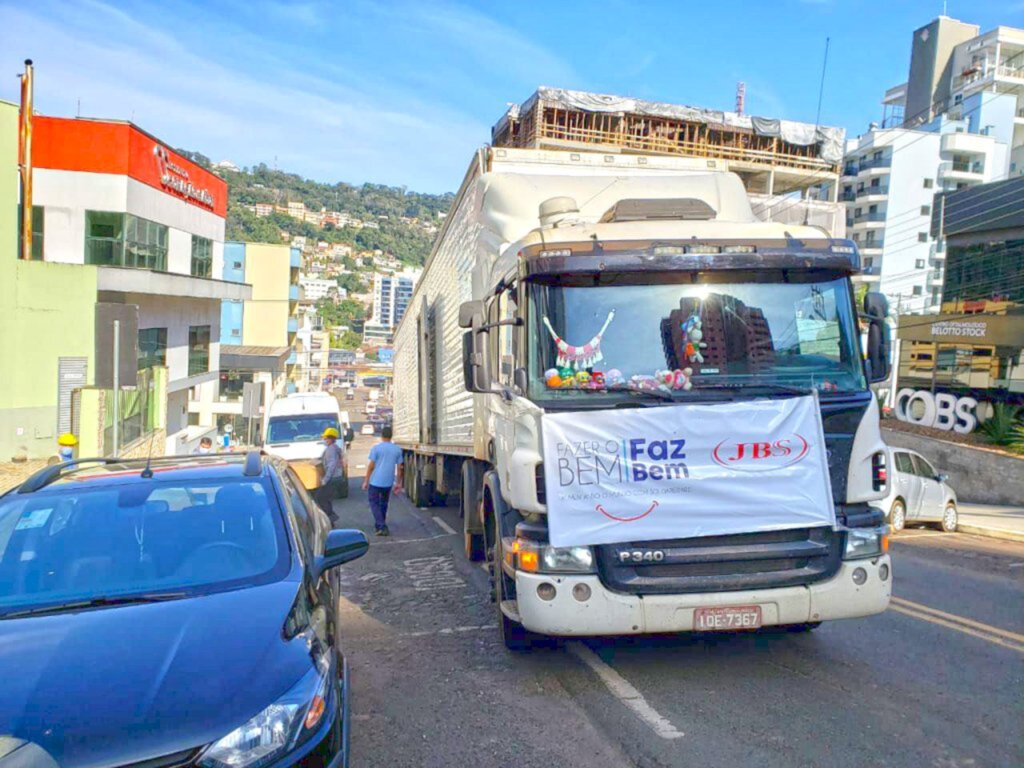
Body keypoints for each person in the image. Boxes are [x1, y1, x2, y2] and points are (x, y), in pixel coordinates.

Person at [362, 425, 403, 536]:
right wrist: (398, 483)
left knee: (374, 503)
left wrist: (366, 480)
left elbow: (371, 466)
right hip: (388, 481)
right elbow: (399, 468)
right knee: (384, 503)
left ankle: (381, 525)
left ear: (382, 436)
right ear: (391, 436)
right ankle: (379, 525)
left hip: (375, 481)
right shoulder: (397, 449)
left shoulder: (376, 448)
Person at [315, 427, 347, 522]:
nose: (325, 440)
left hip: (332, 478)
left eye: (326, 438)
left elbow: (332, 465)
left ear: (332, 439)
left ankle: (330, 518)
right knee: (326, 498)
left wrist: (325, 479)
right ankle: (330, 517)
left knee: (321, 498)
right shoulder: (335, 448)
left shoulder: (331, 449)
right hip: (336, 477)